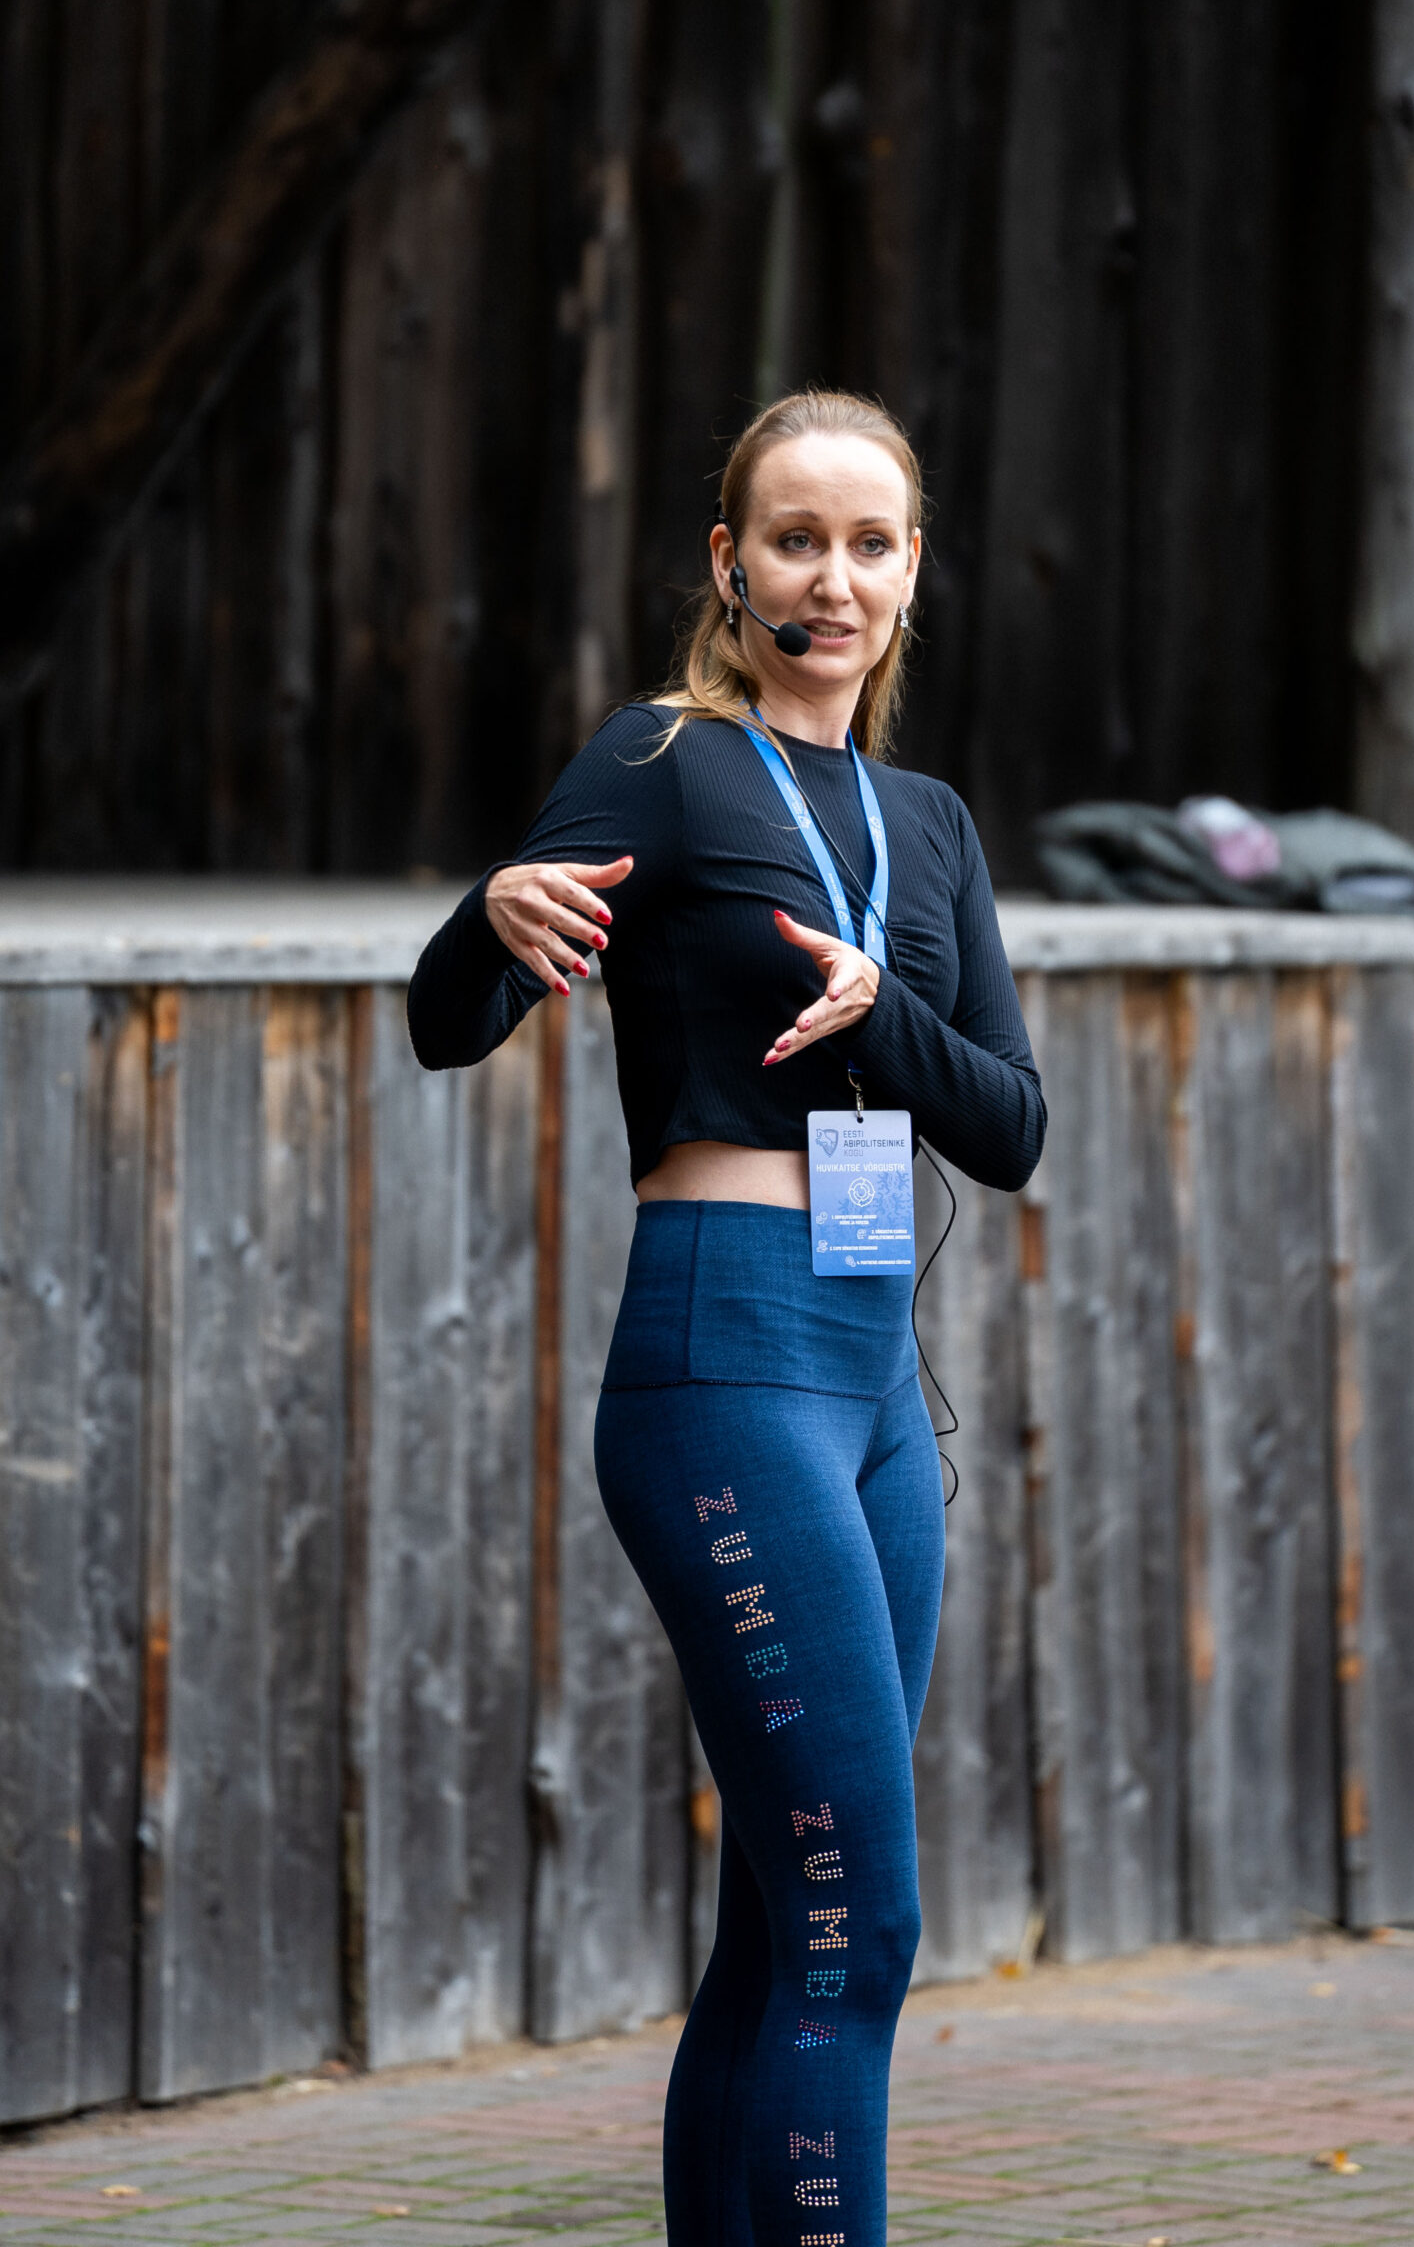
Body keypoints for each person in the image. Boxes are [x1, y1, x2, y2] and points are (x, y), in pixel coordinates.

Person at [408, 389, 1045, 2247]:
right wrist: (487, 916)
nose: (832, 579)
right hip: (724, 1358)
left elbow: (1009, 1126)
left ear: (911, 573)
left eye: (870, 545)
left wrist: (880, 1015)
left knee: (785, 1920)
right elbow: (452, 1018)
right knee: (865, 1920)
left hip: (876, 1381)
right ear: (730, 562)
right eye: (794, 540)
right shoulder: (666, 760)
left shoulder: (928, 825)